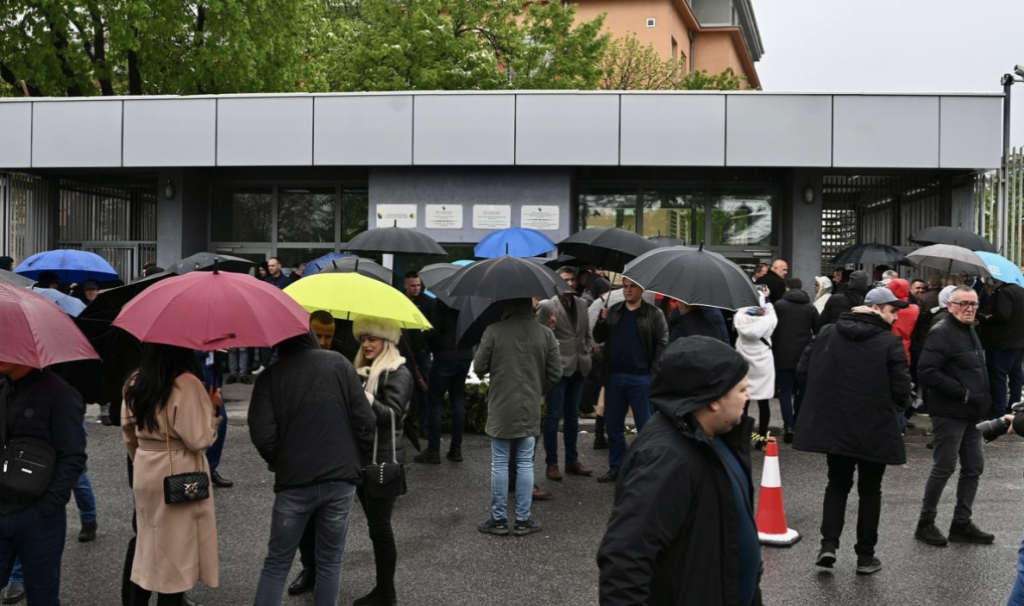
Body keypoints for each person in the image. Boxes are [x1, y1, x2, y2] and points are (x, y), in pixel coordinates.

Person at [597, 336, 761, 606]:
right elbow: (625, 559)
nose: (748, 396)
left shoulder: (715, 439)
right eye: (742, 389)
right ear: (714, 399)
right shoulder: (667, 458)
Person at [249, 331, 376, 606]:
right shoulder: (339, 363)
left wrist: (282, 459)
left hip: (294, 480)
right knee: (330, 560)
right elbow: (366, 419)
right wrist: (357, 458)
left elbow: (262, 435)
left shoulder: (270, 377)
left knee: (277, 562)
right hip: (341, 476)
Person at [795, 287, 911, 575]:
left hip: (836, 425)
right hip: (875, 427)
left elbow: (803, 370)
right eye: (892, 310)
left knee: (837, 484)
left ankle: (828, 546)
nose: (896, 317)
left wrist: (822, 399)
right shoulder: (889, 343)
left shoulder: (828, 333)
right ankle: (865, 556)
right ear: (874, 308)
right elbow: (902, 391)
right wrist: (899, 404)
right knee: (870, 491)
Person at [122, 344, 220, 606]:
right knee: (177, 553)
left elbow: (128, 432)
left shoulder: (135, 380)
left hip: (145, 466)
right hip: (179, 469)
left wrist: (143, 459)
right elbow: (199, 438)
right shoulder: (187, 384)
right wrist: (211, 409)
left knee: (147, 545)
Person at [0, 362, 86, 606]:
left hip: (39, 517)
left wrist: (46, 506)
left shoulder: (60, 394)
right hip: (3, 506)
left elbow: (73, 456)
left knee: (42, 596)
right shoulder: (3, 388)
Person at [915, 286, 995, 547]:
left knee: (974, 468)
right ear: (950, 305)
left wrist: (983, 399)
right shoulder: (942, 333)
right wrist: (962, 393)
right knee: (944, 466)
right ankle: (925, 523)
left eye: (973, 304)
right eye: (963, 304)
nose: (970, 308)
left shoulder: (969, 330)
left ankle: (961, 523)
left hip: (972, 413)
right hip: (949, 412)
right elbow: (926, 371)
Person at [475, 299, 561, 537]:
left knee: (500, 463)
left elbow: (479, 366)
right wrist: (537, 389)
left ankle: (499, 519)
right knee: (525, 463)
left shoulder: (493, 331)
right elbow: (556, 371)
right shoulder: (544, 333)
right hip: (529, 406)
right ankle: (523, 520)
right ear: (529, 305)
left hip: (501, 406)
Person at [351, 317, 414, 606]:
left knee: (380, 528)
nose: (366, 343)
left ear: (386, 341)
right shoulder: (364, 371)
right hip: (359, 459)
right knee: (373, 528)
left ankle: (386, 593)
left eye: (372, 338)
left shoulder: (398, 373)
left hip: (382, 462)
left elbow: (392, 417)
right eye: (363, 338)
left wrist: (362, 396)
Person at [592, 278, 669, 483]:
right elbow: (598, 336)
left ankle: (646, 469)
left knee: (645, 426)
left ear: (641, 289)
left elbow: (662, 342)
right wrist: (602, 320)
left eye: (632, 287)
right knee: (613, 425)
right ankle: (617, 467)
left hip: (641, 377)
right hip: (615, 376)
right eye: (625, 287)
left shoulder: (654, 314)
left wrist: (653, 372)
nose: (627, 290)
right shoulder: (615, 310)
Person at [535, 268, 596, 481]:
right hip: (557, 369)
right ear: (556, 283)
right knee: (553, 416)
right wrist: (550, 328)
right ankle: (551, 463)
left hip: (580, 366)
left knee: (572, 416)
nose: (569, 283)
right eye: (565, 280)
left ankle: (572, 460)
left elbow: (587, 334)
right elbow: (537, 334)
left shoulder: (582, 304)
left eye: (571, 279)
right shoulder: (547, 305)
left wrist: (588, 349)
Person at [415, 299, 474, 464]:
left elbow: (435, 330)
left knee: (434, 402)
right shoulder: (468, 302)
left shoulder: (441, 303)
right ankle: (456, 450)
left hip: (444, 356)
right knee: (458, 401)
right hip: (464, 355)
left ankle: (433, 451)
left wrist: (424, 337)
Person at [772, 278, 818, 441]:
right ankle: (797, 422)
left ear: (787, 288)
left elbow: (772, 329)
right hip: (804, 356)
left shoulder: (778, 305)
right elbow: (817, 330)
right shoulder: (810, 307)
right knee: (801, 392)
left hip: (783, 355)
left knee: (785, 391)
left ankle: (788, 425)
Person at [734, 291, 778, 446]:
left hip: (744, 363)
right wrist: (766, 298)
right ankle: (762, 440)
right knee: (763, 402)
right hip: (764, 363)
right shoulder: (768, 319)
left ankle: (743, 437)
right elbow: (772, 313)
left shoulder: (740, 318)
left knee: (743, 402)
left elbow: (739, 310)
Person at [978, 279, 1024, 418]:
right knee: (1016, 376)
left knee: (999, 377)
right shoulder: (1020, 291)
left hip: (1004, 343)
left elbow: (1003, 315)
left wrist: (987, 317)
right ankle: (1015, 408)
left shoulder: (1003, 292)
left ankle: (999, 411)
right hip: (1019, 341)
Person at [402, 271, 434, 433]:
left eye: (419, 285)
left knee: (424, 389)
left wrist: (424, 347)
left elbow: (433, 328)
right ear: (406, 286)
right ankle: (406, 423)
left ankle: (424, 423)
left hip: (421, 353)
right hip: (402, 352)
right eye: (413, 286)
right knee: (403, 388)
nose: (416, 289)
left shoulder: (428, 303)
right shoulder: (398, 301)